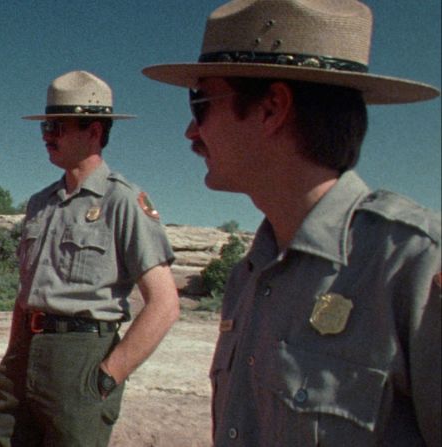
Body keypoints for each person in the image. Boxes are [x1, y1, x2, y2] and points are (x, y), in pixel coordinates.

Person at [142, 0, 441, 445]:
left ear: (271, 108)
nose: (190, 131)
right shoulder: (250, 275)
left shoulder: (411, 263)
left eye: (200, 102)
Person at [0, 70, 180, 446]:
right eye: (45, 127)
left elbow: (165, 304)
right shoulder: (41, 203)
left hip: (81, 358)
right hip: (25, 352)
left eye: (57, 127)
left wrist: (107, 375)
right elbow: (25, 293)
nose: (46, 136)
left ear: (93, 132)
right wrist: (13, 354)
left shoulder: (122, 201)